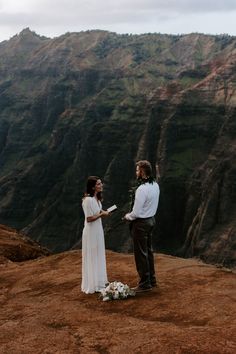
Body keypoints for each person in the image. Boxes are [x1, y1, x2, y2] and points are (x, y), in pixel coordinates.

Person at [124, 160, 160, 293]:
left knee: (141, 254)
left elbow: (136, 212)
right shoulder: (155, 185)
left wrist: (128, 216)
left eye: (137, 170)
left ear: (142, 172)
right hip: (151, 221)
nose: (136, 172)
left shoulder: (141, 189)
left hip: (141, 224)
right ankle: (152, 279)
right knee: (148, 251)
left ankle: (144, 284)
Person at [81, 176, 110, 294]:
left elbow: (96, 213)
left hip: (98, 230)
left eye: (101, 183)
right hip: (91, 232)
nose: (101, 185)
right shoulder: (87, 200)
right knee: (93, 255)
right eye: (98, 184)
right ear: (93, 187)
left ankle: (99, 281)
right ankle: (93, 284)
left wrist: (103, 212)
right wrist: (101, 215)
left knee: (98, 254)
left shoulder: (96, 198)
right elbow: (88, 218)